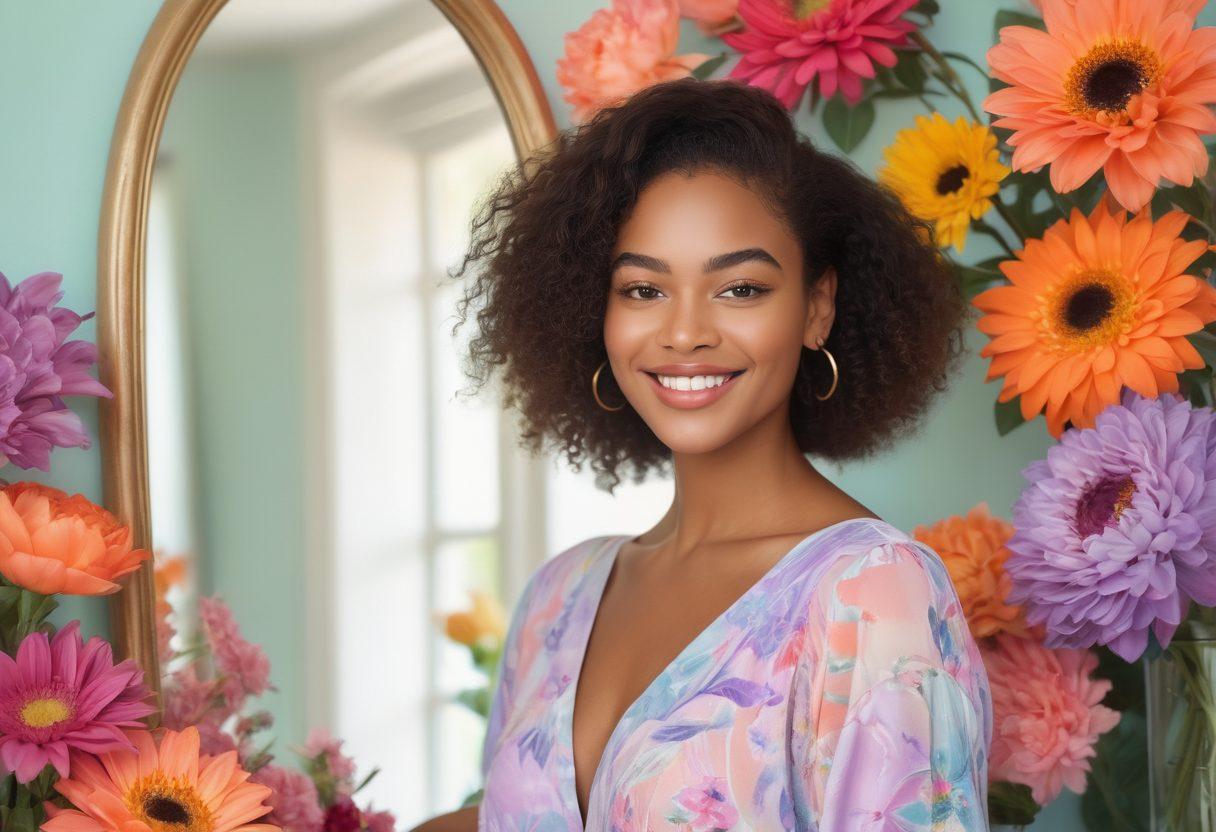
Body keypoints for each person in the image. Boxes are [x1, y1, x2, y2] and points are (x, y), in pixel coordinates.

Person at [412, 76, 992, 832]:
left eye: (741, 288)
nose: (684, 333)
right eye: (643, 290)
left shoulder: (869, 596)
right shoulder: (558, 597)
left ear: (817, 306)